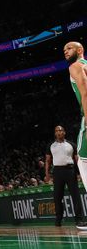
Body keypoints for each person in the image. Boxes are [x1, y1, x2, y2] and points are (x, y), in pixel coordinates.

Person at [65, 41, 87, 231]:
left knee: (83, 160)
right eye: (64, 50)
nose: (65, 52)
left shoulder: (75, 65)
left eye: (69, 48)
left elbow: (85, 92)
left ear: (80, 50)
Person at [45, 125, 86, 227]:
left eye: (61, 130)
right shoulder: (50, 145)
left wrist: (81, 173)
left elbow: (77, 160)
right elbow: (47, 161)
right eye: (57, 131)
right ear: (55, 133)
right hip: (57, 172)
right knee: (57, 197)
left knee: (75, 195)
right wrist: (47, 174)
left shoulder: (71, 144)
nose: (59, 132)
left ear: (64, 132)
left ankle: (79, 219)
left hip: (70, 171)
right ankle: (58, 219)